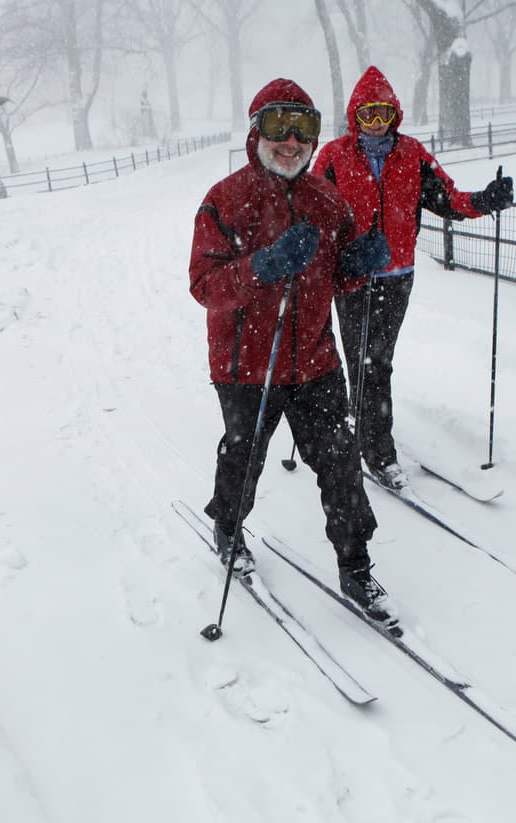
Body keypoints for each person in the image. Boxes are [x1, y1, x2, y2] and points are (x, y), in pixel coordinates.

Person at [189, 78, 395, 621]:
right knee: (245, 455)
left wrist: (357, 263)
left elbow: (337, 277)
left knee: (340, 463)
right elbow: (205, 286)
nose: (292, 141)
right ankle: (228, 527)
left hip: (315, 362)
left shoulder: (326, 201)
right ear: (257, 130)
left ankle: (356, 566)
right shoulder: (225, 200)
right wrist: (263, 266)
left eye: (304, 129)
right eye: (279, 125)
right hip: (245, 364)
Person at [312, 65, 515, 492]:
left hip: (397, 277)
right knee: (366, 361)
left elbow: (449, 199)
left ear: (395, 114)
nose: (376, 123)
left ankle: (363, 417)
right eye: (367, 114)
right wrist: (333, 254)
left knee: (377, 361)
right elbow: (313, 212)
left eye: (383, 113)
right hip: (351, 277)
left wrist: (485, 201)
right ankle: (379, 453)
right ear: (354, 115)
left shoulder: (413, 155)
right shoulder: (333, 156)